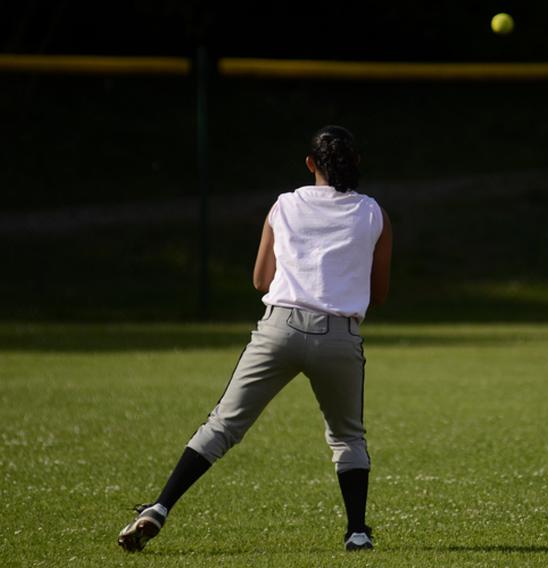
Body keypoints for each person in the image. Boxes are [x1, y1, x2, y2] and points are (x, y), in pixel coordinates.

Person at [118, 125, 393, 552]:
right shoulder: (373, 212)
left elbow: (261, 278)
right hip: (339, 336)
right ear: (355, 162)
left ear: (309, 165)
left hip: (279, 327)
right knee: (347, 437)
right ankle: (357, 531)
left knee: (223, 426)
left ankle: (159, 507)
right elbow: (379, 293)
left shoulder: (284, 204)